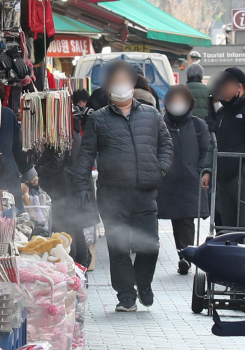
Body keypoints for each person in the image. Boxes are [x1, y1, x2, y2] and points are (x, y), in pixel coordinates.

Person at [71, 61, 173, 312]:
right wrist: (82, 186)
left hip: (145, 192)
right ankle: (126, 295)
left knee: (150, 245)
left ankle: (144, 283)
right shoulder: (98, 120)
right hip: (112, 195)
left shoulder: (151, 114)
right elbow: (86, 156)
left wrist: (160, 168)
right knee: (118, 248)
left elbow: (166, 144)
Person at [157, 84, 213, 275]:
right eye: (175, 101)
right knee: (176, 220)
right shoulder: (160, 124)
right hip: (168, 181)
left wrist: (203, 171)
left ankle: (186, 256)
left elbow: (207, 149)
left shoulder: (198, 125)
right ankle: (183, 254)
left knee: (187, 221)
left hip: (190, 179)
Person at [40, 90, 100, 269]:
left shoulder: (62, 133)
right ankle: (80, 268)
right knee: (77, 230)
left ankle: (76, 268)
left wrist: (38, 172)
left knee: (67, 230)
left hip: (67, 188)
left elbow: (57, 162)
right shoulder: (73, 130)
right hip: (76, 186)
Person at [206, 66, 245, 227]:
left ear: (239, 87)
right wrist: (208, 170)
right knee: (228, 222)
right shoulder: (223, 113)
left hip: (242, 176)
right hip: (224, 176)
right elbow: (213, 143)